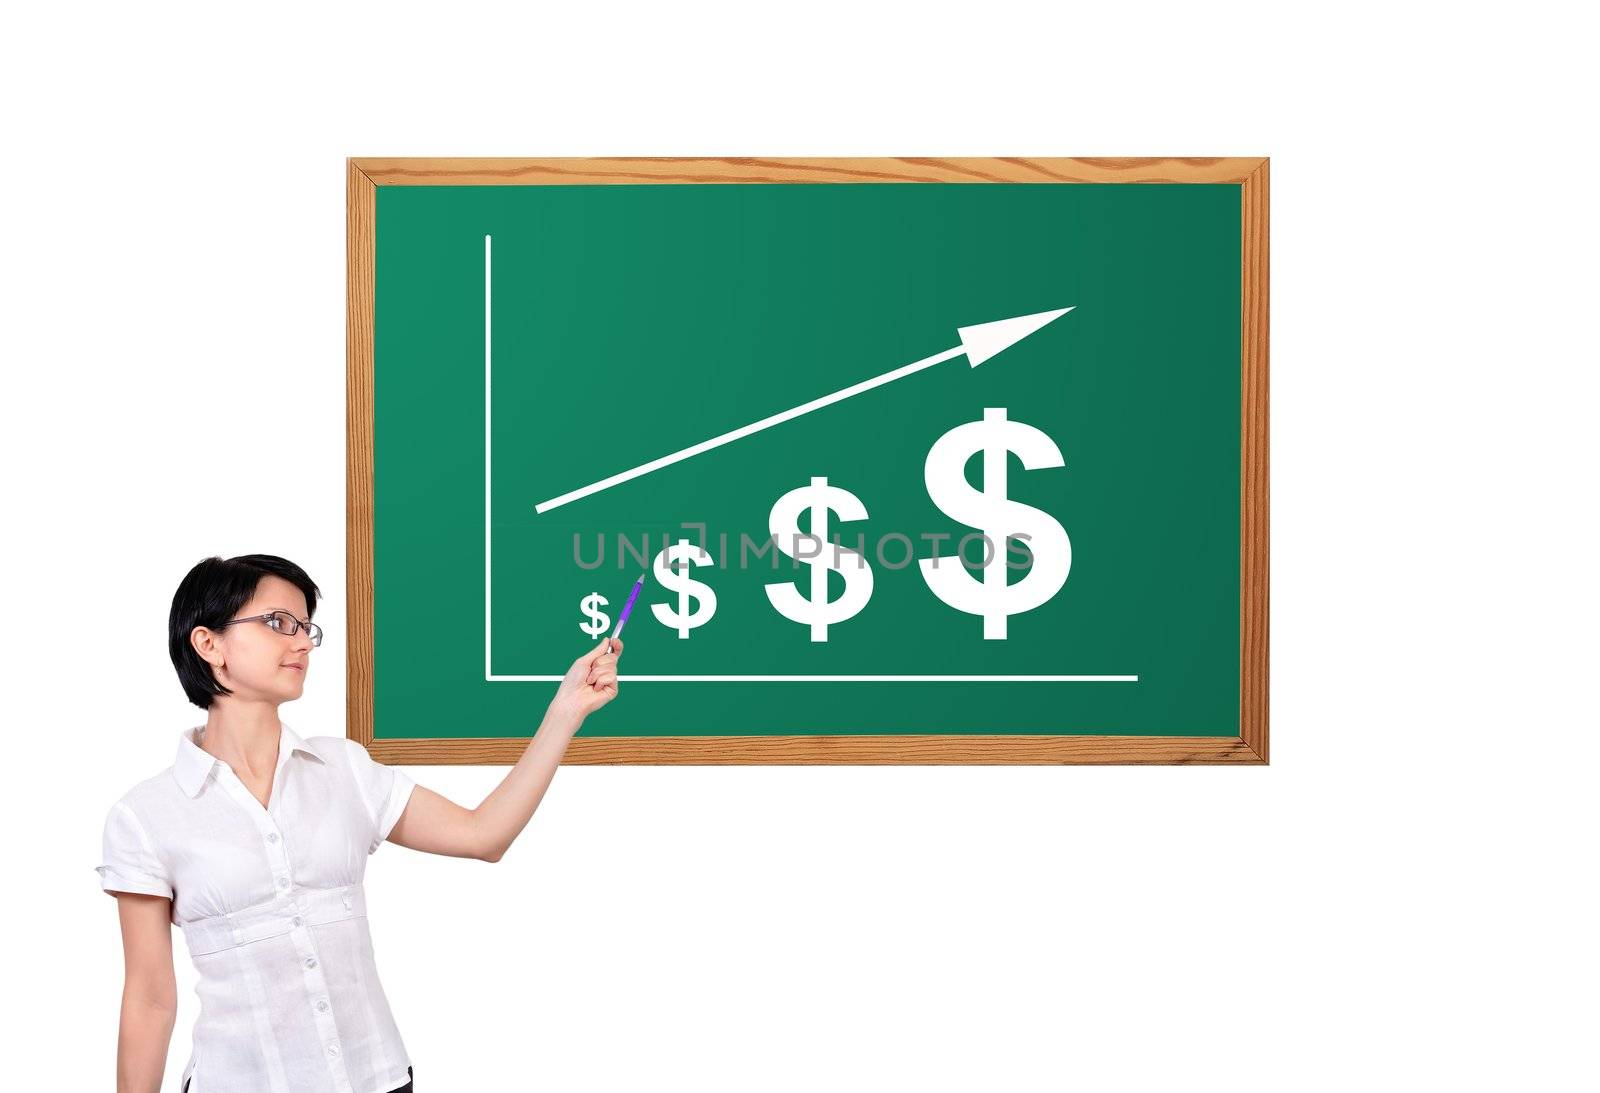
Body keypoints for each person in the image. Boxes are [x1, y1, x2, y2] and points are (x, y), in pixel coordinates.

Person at [94, 554, 623, 1091]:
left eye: (305, 627)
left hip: (376, 1078)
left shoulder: (343, 769)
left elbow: (483, 835)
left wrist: (565, 710)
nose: (301, 643)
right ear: (209, 644)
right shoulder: (146, 817)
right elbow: (150, 997)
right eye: (278, 623)